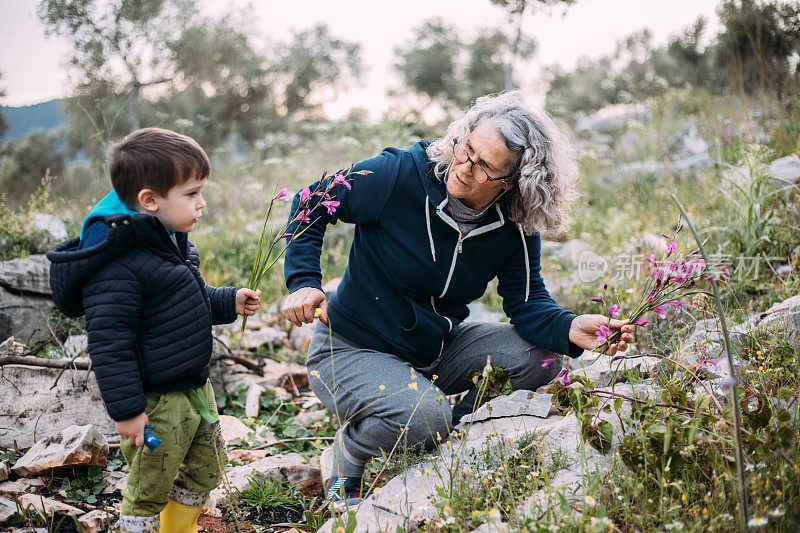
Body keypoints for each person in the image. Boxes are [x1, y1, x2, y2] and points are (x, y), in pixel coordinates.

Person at [281, 91, 636, 505]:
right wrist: (304, 281)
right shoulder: (399, 175)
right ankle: (350, 451)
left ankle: (454, 443)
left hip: (433, 351)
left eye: (485, 166)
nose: (463, 167)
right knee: (426, 417)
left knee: (540, 358)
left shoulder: (515, 224)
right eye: (465, 148)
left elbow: (527, 303)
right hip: (348, 348)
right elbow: (313, 200)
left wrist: (570, 328)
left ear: (512, 183)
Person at [47, 127, 261, 533]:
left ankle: (175, 529)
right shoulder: (118, 267)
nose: (203, 204)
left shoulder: (172, 241)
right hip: (157, 402)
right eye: (192, 193)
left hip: (196, 389)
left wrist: (227, 301)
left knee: (206, 470)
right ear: (150, 200)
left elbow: (189, 300)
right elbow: (110, 345)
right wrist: (128, 412)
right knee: (150, 485)